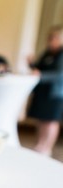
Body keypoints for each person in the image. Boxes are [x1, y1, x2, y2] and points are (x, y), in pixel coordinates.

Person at [27, 25, 63, 156]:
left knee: (51, 121)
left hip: (55, 93)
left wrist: (41, 75)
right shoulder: (47, 53)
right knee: (41, 120)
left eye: (54, 38)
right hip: (43, 92)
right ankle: (40, 144)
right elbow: (38, 68)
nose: (50, 40)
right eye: (49, 37)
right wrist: (32, 64)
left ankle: (48, 147)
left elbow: (60, 75)